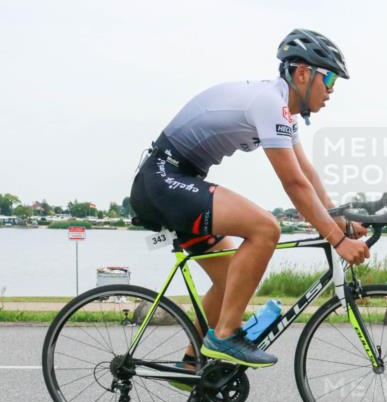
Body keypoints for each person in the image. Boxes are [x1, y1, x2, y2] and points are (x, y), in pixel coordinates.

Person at [129, 29, 370, 371]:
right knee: (265, 228)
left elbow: (307, 174)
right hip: (164, 178)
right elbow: (293, 184)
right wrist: (337, 239)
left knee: (231, 281)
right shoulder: (269, 103)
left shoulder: (282, 112)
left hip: (178, 181)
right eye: (328, 77)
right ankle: (224, 335)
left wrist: (338, 219)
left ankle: (190, 366)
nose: (332, 88)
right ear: (302, 73)